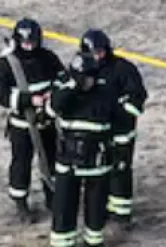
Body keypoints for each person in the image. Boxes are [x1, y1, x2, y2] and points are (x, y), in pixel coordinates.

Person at [0, 18, 65, 222]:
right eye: (25, 43)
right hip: (22, 126)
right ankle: (21, 204)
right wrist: (28, 100)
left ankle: (53, 198)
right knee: (21, 165)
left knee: (52, 162)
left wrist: (53, 96)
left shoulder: (49, 58)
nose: (29, 46)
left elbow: (62, 80)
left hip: (48, 123)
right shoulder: (6, 65)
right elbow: (2, 96)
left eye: (32, 42)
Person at [47, 52, 116, 247]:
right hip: (69, 161)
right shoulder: (64, 92)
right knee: (63, 207)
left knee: (96, 206)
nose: (87, 83)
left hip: (97, 160)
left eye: (89, 78)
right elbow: (52, 108)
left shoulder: (105, 92)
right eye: (83, 79)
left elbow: (114, 120)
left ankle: (94, 241)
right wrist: (71, 87)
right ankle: (63, 242)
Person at [80, 29, 147, 228]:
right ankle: (104, 207)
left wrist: (118, 113)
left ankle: (122, 213)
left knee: (121, 169)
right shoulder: (83, 70)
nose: (98, 57)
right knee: (101, 172)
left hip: (121, 133)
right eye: (94, 54)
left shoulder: (123, 69)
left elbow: (137, 98)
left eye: (101, 52)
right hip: (98, 134)